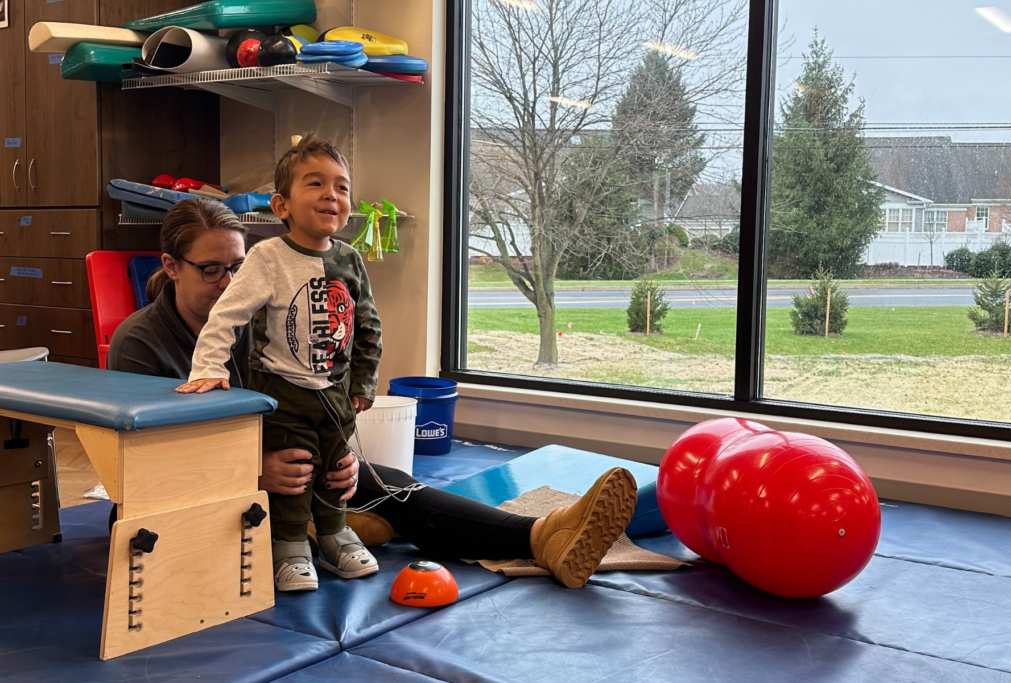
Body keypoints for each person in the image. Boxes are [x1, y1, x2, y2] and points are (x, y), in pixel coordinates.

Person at [108, 153, 636, 595]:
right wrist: (254, 472)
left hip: (290, 460)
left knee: (386, 482)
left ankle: (543, 536)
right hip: (201, 487)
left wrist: (339, 456)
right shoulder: (141, 342)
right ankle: (308, 530)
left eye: (238, 268)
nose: (229, 284)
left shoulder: (263, 315)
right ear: (172, 266)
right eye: (210, 269)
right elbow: (144, 466)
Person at [177, 134, 383, 591]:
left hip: (335, 391)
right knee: (295, 470)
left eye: (343, 187)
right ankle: (289, 546)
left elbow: (368, 326)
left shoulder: (350, 259)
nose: (332, 195)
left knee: (335, 469)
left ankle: (333, 534)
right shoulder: (268, 257)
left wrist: (363, 383)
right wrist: (208, 368)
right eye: (315, 184)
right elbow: (226, 315)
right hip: (283, 392)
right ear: (281, 205)